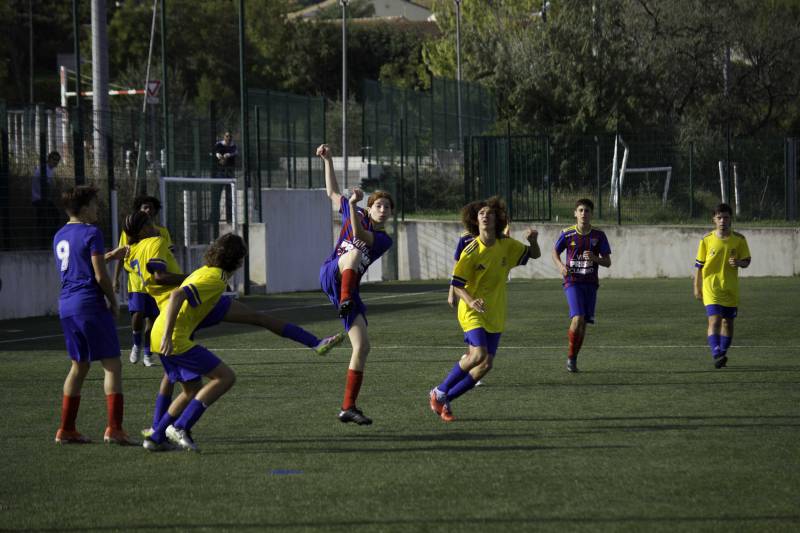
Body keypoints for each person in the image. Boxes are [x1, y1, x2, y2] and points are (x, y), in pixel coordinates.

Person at [142, 233, 345, 452]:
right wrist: (168, 337)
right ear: (239, 261)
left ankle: (156, 436)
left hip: (163, 332)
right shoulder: (215, 279)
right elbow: (177, 296)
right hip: (172, 337)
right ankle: (180, 426)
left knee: (192, 388)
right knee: (225, 377)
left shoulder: (208, 273)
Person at [429, 196, 541, 422]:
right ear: (475, 220)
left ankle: (446, 398)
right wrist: (470, 301)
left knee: (486, 365)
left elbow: (534, 254)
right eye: (481, 213)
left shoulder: (506, 246)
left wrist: (534, 240)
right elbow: (457, 284)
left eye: (489, 213)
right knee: (478, 355)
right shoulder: (471, 251)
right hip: (471, 310)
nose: (485, 215)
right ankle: (438, 392)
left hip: (495, 312)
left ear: (497, 219)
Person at [317, 143, 394, 426]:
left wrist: (351, 205)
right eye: (379, 205)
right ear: (370, 207)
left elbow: (361, 233)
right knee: (353, 252)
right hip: (332, 273)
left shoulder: (384, 238)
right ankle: (347, 297)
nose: (383, 210)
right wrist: (328, 160)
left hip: (349, 288)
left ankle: (348, 406)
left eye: (387, 207)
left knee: (362, 347)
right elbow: (332, 193)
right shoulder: (356, 213)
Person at [52, 185, 133, 445]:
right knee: (112, 364)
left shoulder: (60, 235)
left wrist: (110, 255)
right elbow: (99, 275)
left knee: (79, 366)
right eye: (95, 204)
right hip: (89, 303)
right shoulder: (91, 232)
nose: (98, 208)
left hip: (67, 305)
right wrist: (113, 300)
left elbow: (81, 265)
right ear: (85, 207)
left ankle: (66, 429)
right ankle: (115, 429)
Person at [551, 198, 612, 373]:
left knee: (583, 323)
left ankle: (573, 357)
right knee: (577, 318)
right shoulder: (567, 234)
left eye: (587, 211)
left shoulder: (598, 236)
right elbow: (554, 252)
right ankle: (570, 356)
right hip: (573, 281)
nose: (584, 213)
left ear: (591, 214)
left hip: (591, 283)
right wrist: (561, 266)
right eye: (581, 210)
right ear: (575, 213)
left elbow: (607, 262)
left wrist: (595, 259)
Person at [113, 195, 173, 367]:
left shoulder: (162, 232)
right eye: (144, 207)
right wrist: (115, 279)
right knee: (137, 313)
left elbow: (167, 255)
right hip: (137, 282)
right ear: (138, 209)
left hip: (155, 284)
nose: (148, 210)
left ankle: (148, 353)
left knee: (153, 319)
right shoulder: (129, 230)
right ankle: (136, 344)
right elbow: (120, 254)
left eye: (151, 208)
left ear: (155, 211)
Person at [693, 203, 751, 369]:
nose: (723, 221)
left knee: (728, 323)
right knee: (715, 320)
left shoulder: (739, 240)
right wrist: (697, 287)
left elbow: (747, 261)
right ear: (714, 220)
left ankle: (722, 353)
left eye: (726, 217)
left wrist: (739, 262)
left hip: (730, 289)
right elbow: (699, 267)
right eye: (719, 217)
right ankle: (716, 352)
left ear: (730, 219)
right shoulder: (706, 240)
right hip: (711, 287)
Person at [211, 131, 237, 239]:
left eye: (230, 137)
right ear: (224, 137)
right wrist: (219, 156)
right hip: (220, 173)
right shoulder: (219, 145)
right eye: (226, 136)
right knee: (217, 195)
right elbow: (215, 152)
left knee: (229, 196)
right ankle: (214, 216)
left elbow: (234, 153)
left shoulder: (233, 146)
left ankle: (230, 217)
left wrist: (228, 155)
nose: (228, 138)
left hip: (229, 173)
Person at [32, 151, 62, 247]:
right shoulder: (44, 170)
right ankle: (43, 241)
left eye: (57, 160)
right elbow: (46, 186)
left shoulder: (49, 170)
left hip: (43, 199)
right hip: (39, 199)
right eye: (54, 159)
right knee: (47, 218)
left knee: (46, 219)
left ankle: (44, 240)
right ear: (49, 159)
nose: (56, 162)